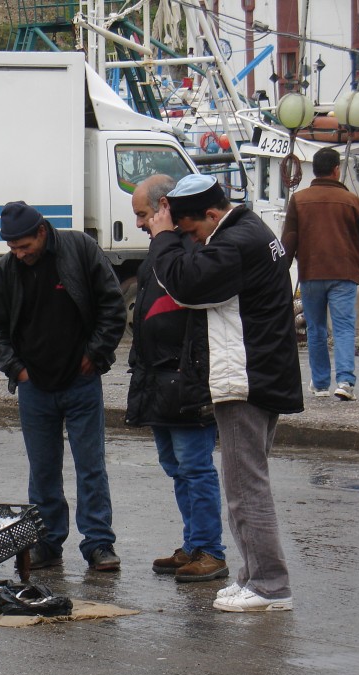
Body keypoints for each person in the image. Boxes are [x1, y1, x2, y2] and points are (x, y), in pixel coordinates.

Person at [146, 174, 303, 612]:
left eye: (193, 230)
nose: (192, 240)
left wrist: (163, 239)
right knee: (246, 484)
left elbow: (186, 286)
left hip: (246, 380)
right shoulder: (251, 231)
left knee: (245, 488)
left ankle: (270, 585)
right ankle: (253, 576)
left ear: (212, 214)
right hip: (264, 373)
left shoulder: (235, 243)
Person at [0, 201, 125, 572]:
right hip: (35, 388)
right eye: (13, 248)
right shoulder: (6, 271)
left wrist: (95, 353)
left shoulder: (80, 250)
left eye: (24, 246)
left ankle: (98, 544)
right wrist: (16, 369)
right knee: (43, 469)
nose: (19, 254)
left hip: (81, 382)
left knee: (90, 467)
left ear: (42, 232)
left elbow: (113, 305)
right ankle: (46, 542)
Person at [126, 175, 226, 582]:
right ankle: (194, 544)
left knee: (194, 466)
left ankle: (210, 550)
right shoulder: (163, 247)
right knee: (176, 466)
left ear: (165, 207)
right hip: (158, 376)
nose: (138, 224)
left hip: (185, 377)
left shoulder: (191, 246)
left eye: (143, 215)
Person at [281, 147, 359, 402]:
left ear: (315, 170)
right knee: (344, 327)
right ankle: (345, 382)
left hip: (311, 272)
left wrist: (282, 269)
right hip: (344, 273)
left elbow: (289, 239)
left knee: (316, 328)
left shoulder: (299, 200)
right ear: (336, 170)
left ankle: (321, 383)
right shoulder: (353, 202)